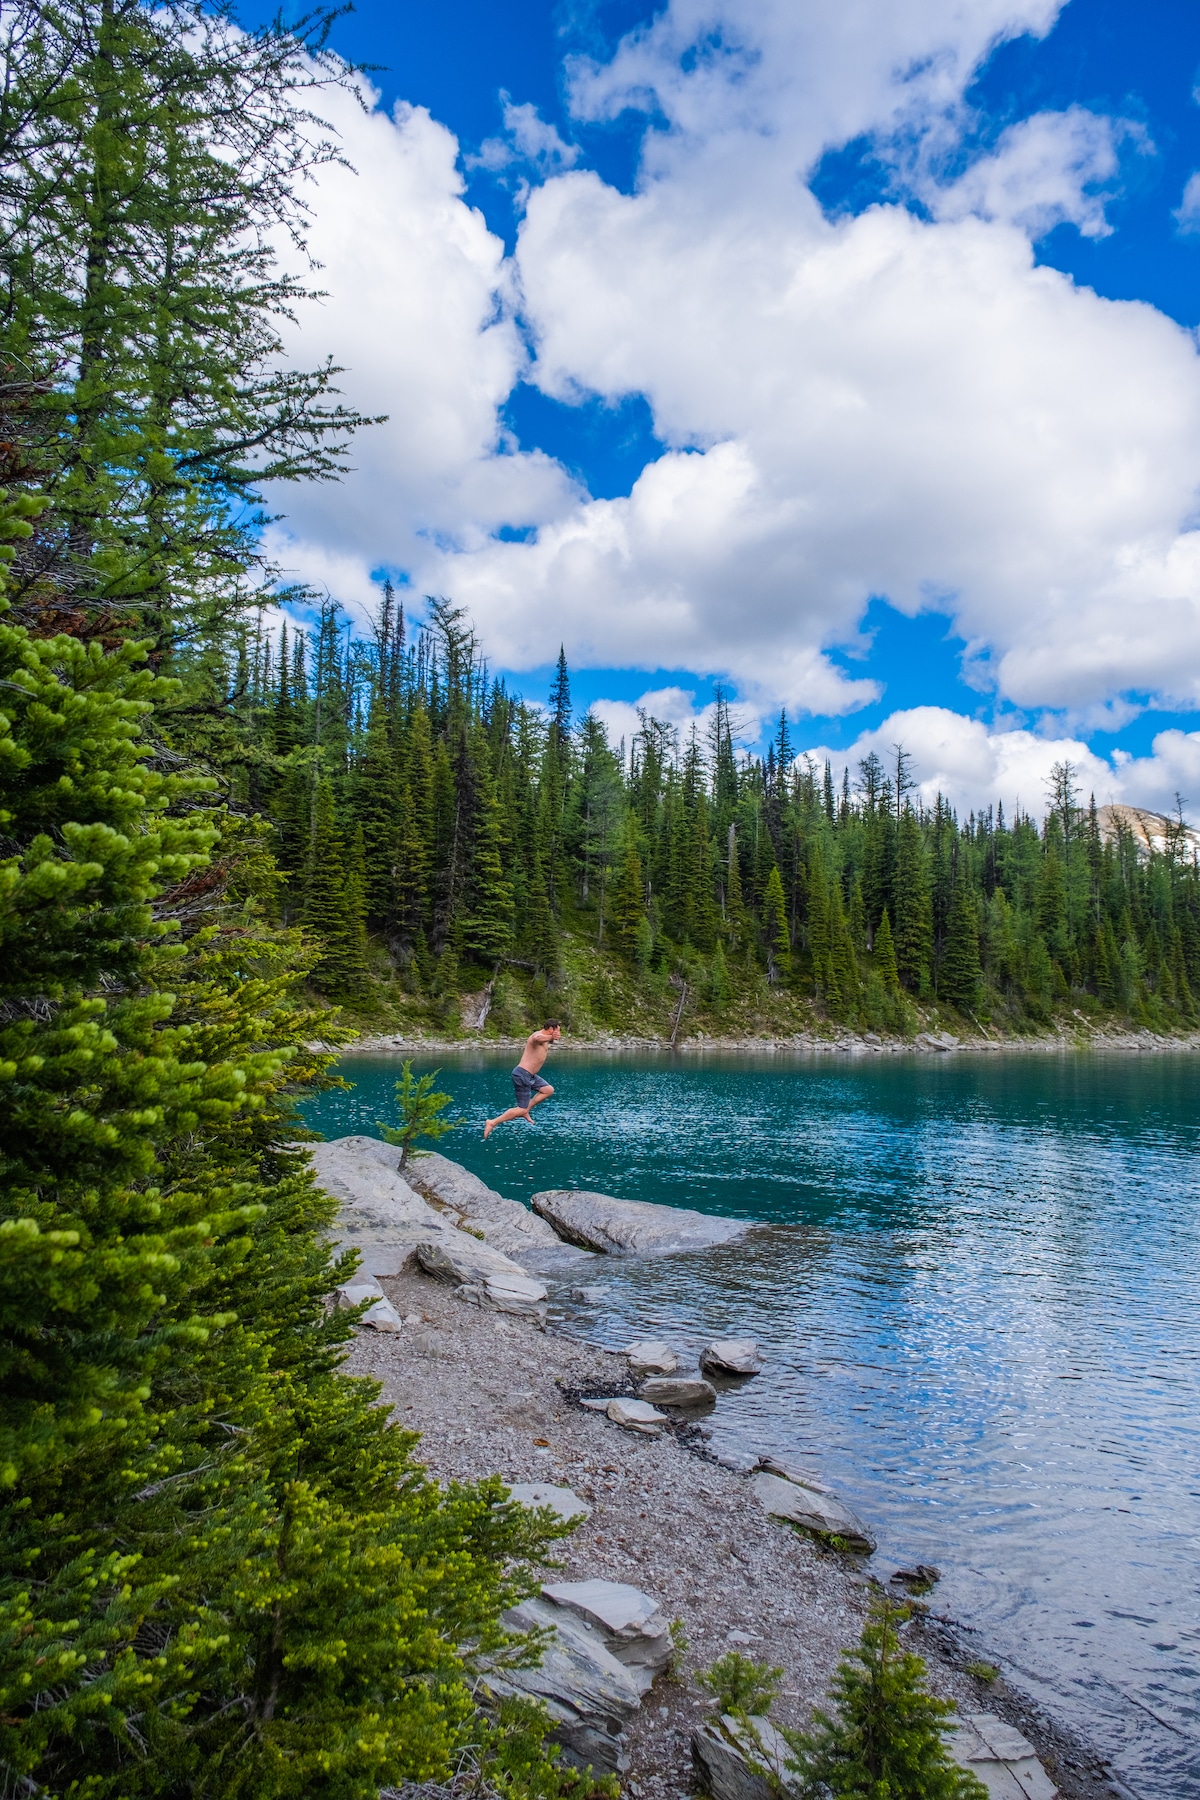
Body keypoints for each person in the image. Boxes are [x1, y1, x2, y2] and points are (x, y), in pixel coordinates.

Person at [483, 1020, 562, 1139]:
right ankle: (492, 1122)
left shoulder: (546, 1038)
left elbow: (547, 1039)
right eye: (557, 1030)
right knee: (520, 1109)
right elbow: (537, 1038)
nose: (559, 1033)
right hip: (522, 1075)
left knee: (548, 1090)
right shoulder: (537, 1036)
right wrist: (551, 1036)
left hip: (530, 1075)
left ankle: (526, 1110)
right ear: (551, 1029)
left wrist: (552, 1037)